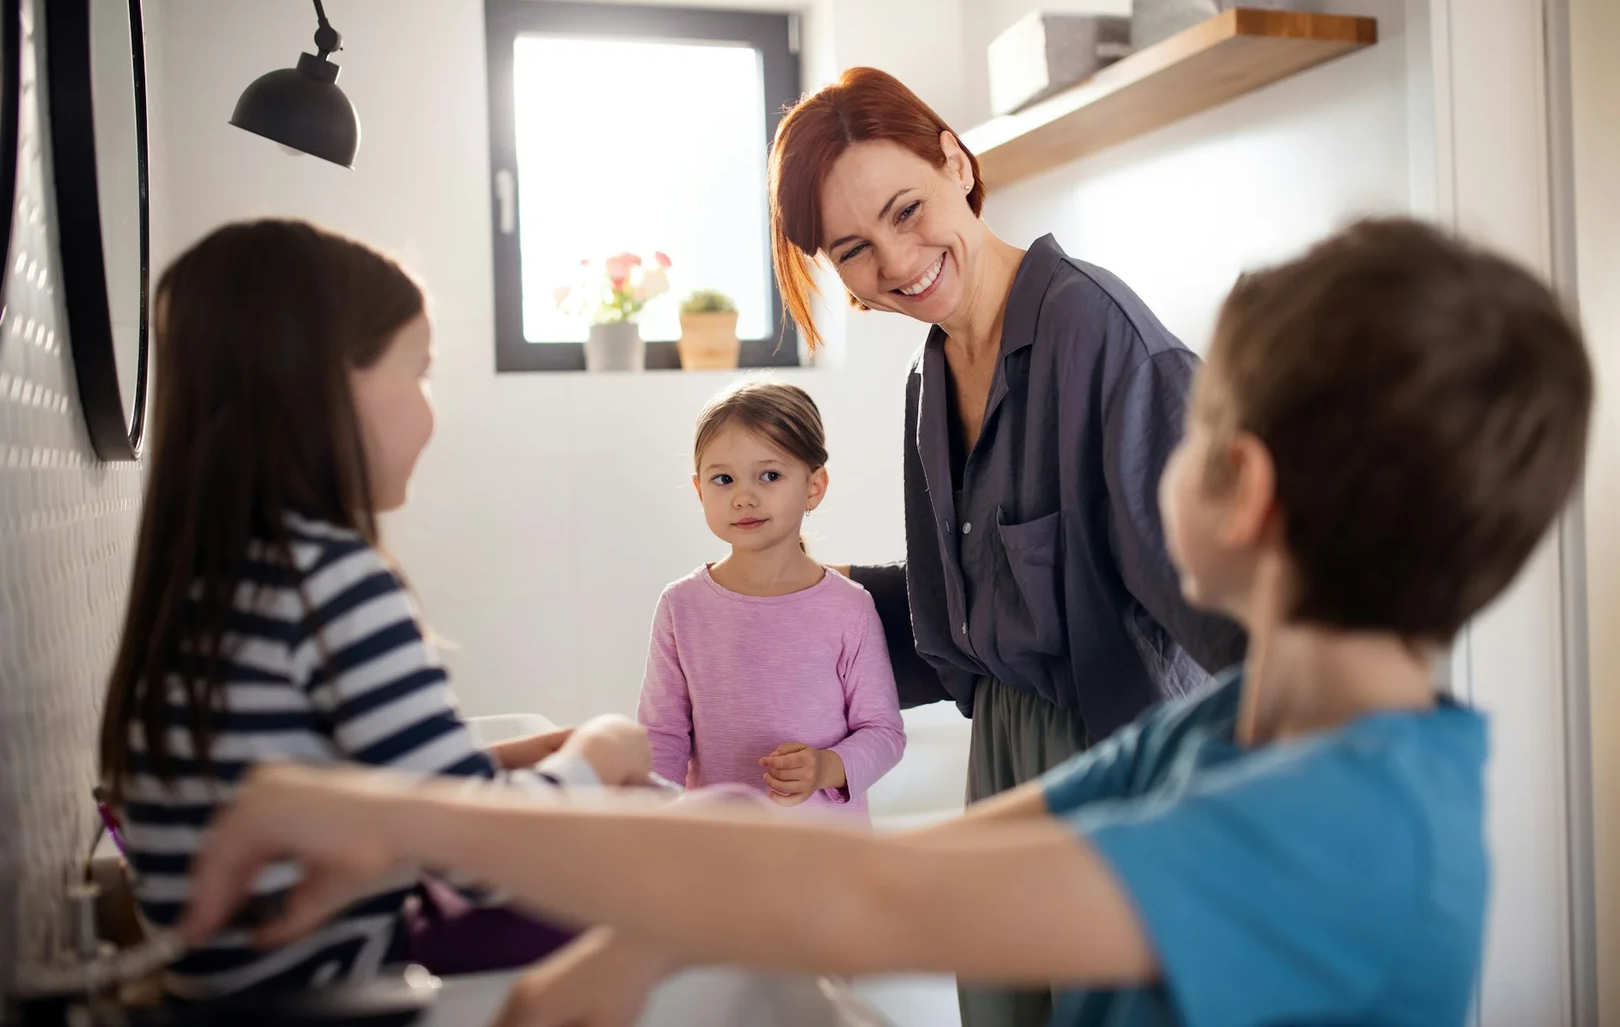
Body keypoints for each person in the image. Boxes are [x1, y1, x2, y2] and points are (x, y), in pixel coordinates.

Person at [178, 218, 1592, 1027]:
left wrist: (407, 815)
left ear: (1244, 491)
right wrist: (658, 928)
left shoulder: (1343, 829)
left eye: (1189, 429)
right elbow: (882, 860)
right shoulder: (1237, 729)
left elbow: (869, 896)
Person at [771, 65, 1248, 1023]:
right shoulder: (930, 380)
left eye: (907, 210)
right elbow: (970, 602)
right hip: (1004, 751)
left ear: (955, 159)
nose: (898, 264)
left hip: (1121, 767)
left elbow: (1231, 619)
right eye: (855, 250)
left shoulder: (1101, 339)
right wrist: (780, 598)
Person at [96, 220, 652, 998]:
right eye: (419, 373)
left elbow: (376, 793)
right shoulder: (331, 583)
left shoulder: (209, 587)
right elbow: (484, 850)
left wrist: (517, 760)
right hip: (353, 989)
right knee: (725, 830)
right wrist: (602, 749)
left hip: (252, 990)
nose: (431, 412)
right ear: (331, 384)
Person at [637, 381, 905, 818]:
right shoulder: (681, 607)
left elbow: (884, 733)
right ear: (700, 490)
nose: (744, 496)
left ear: (814, 486)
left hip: (825, 857)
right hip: (720, 852)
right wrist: (645, 818)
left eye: (770, 475)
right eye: (723, 479)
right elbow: (661, 736)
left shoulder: (849, 608)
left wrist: (825, 767)